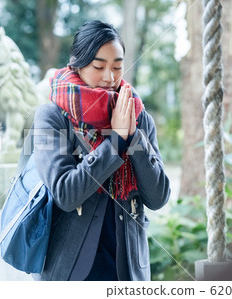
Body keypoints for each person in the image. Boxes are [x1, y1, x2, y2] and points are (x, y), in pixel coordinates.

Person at [31, 20, 171, 281]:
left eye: (117, 67)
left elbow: (158, 197)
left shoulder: (138, 117)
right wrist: (116, 141)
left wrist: (132, 136)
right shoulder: (53, 117)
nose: (110, 77)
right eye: (99, 66)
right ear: (78, 64)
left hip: (127, 269)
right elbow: (66, 193)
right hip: (72, 271)